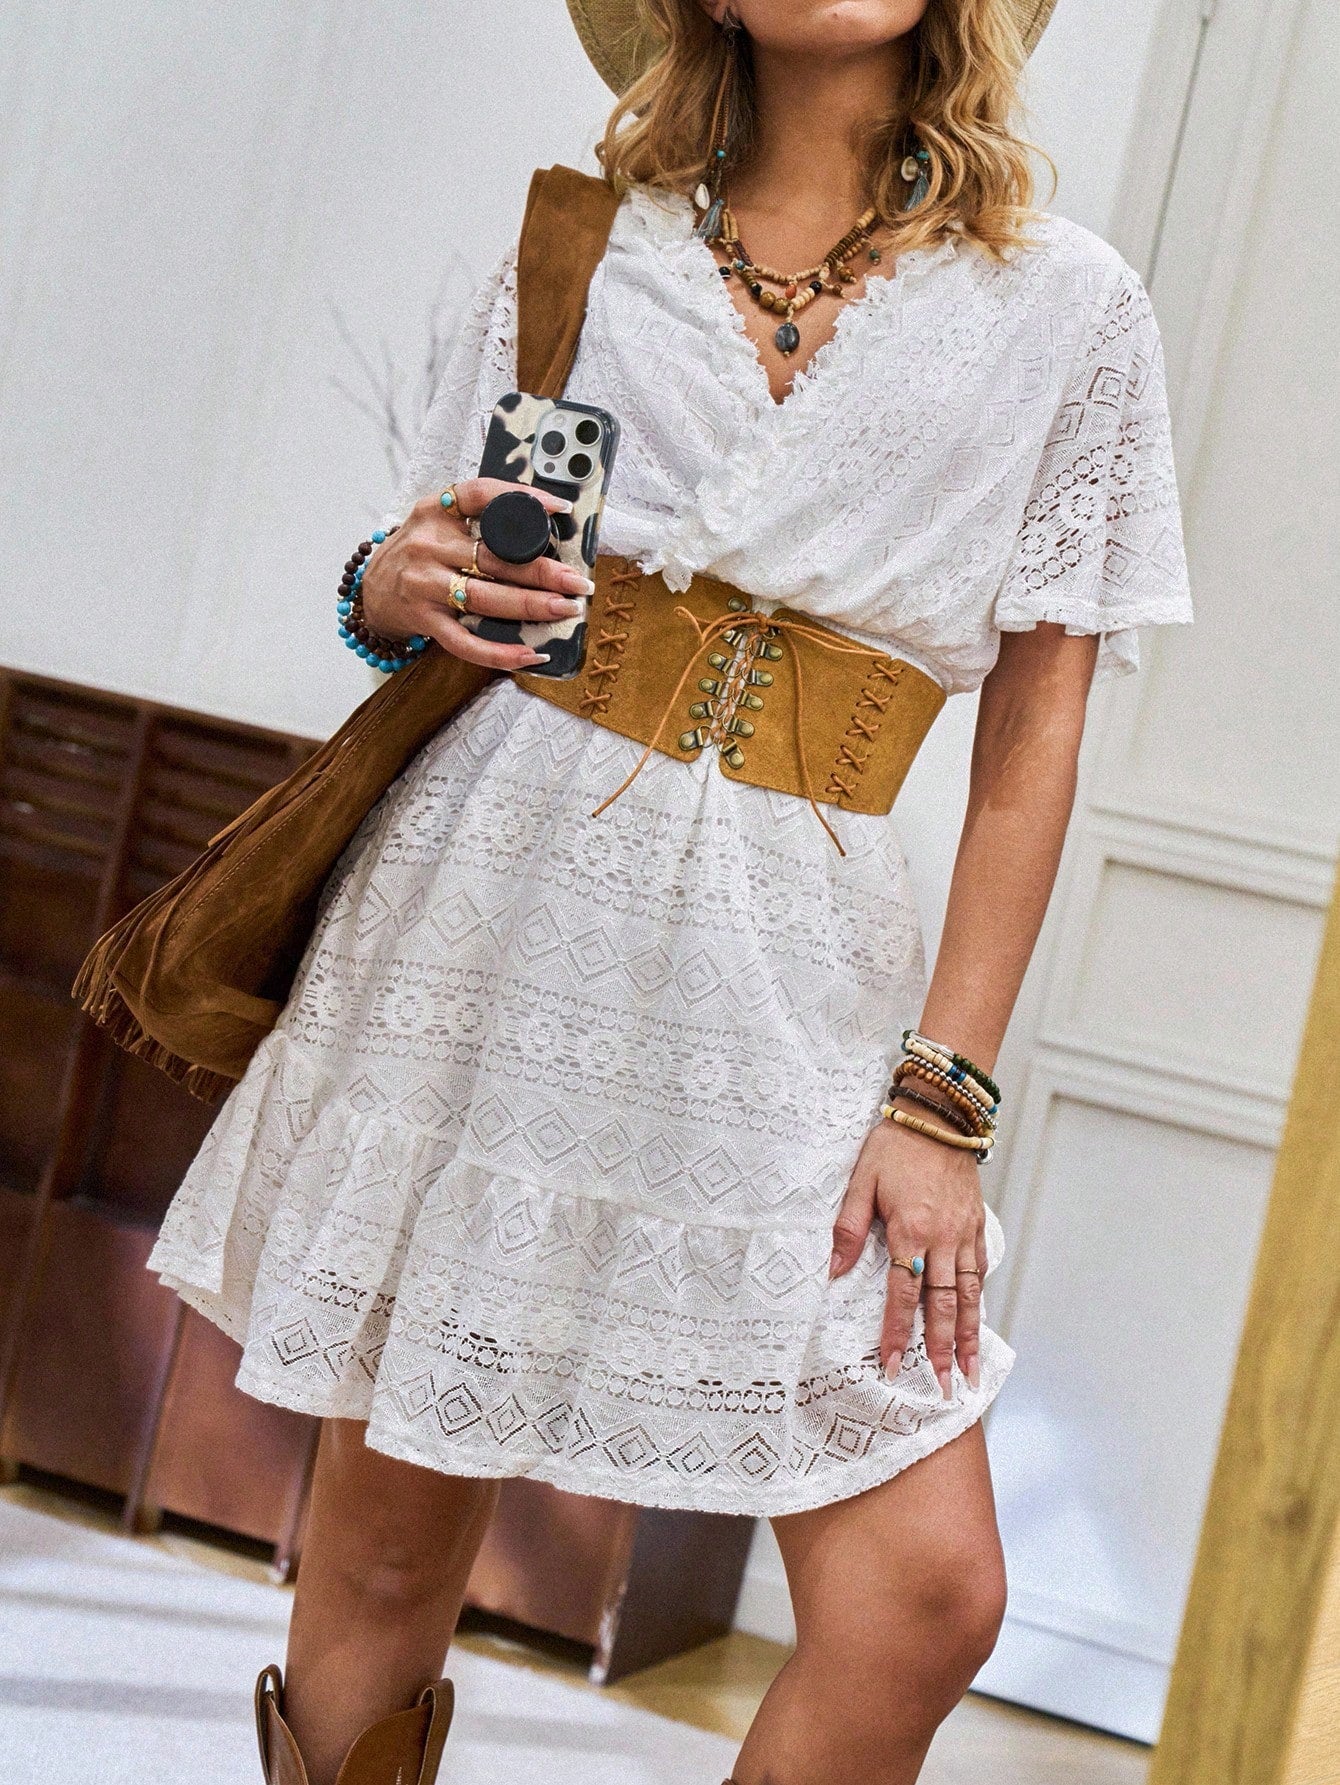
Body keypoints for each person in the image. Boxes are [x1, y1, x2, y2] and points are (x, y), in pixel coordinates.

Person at [148, 1, 1192, 1780]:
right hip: (492, 920)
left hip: (800, 984)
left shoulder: (1069, 307)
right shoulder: (580, 243)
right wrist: (383, 585)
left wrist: (942, 1095)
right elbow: (448, 584)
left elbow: (1035, 739)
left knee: (925, 1593)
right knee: (387, 1544)